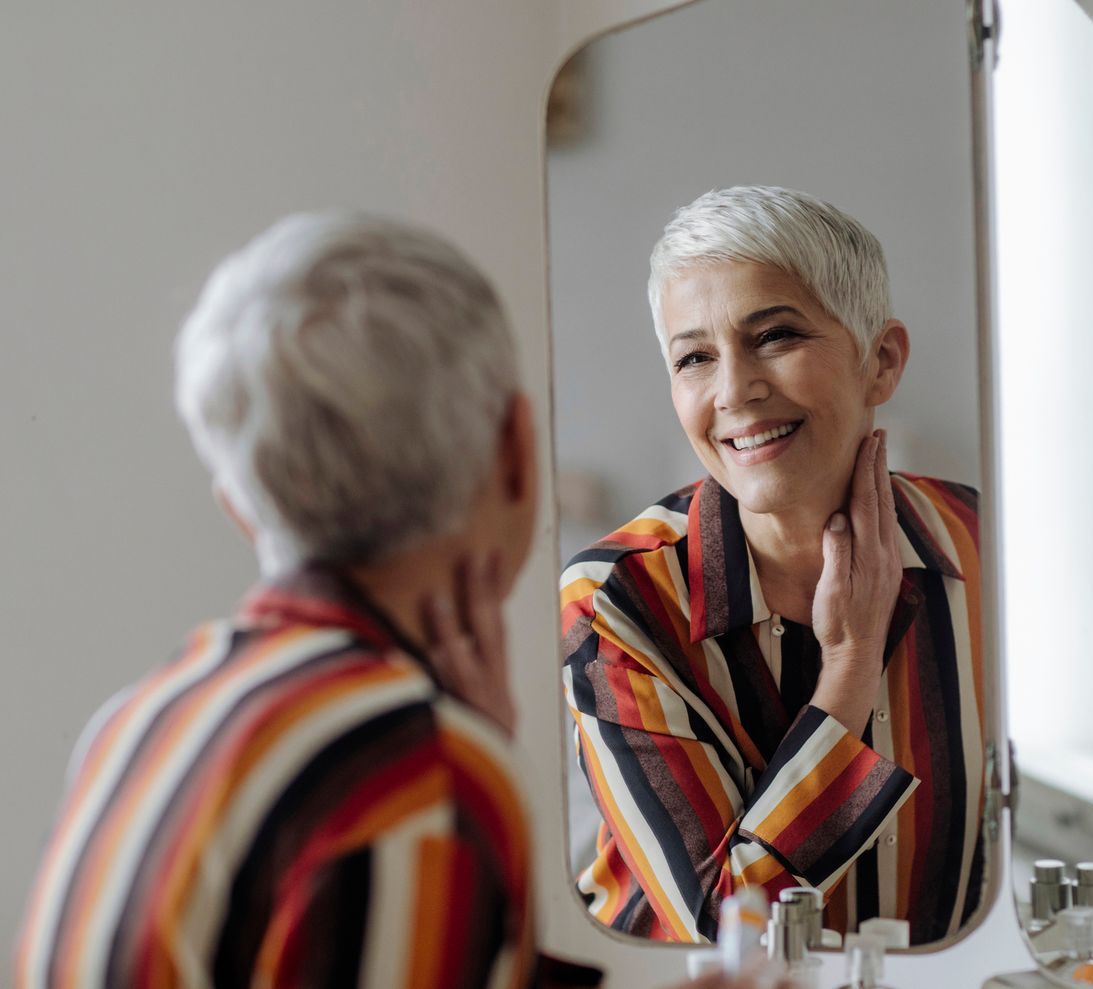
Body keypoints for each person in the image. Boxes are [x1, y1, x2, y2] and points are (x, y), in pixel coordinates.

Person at [15, 212, 778, 989]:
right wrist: (462, 770)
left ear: (239, 507)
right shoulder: (416, 775)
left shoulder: (138, 719)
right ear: (517, 453)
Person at [562, 187, 988, 945]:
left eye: (776, 336)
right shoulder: (614, 602)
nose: (735, 390)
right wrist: (851, 665)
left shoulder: (989, 545)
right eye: (695, 357)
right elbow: (723, 927)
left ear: (881, 361)